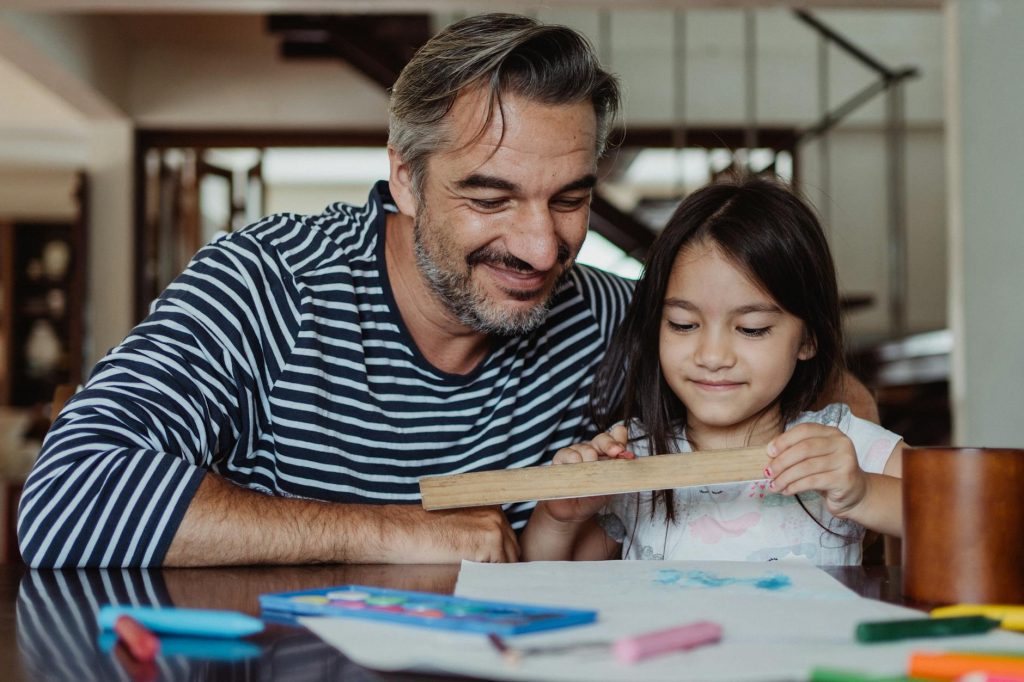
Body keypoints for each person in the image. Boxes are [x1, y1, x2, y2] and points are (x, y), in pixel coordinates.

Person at [17, 14, 875, 569]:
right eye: (490, 196)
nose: (542, 248)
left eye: (570, 198)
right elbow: (64, 502)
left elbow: (821, 387)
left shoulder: (610, 317)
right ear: (404, 177)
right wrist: (389, 530)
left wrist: (849, 455)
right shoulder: (265, 282)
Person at [521, 177, 904, 565]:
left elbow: (958, 512)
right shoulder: (635, 458)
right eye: (684, 324)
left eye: (751, 329)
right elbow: (549, 579)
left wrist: (863, 493)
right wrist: (559, 516)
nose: (713, 355)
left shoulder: (839, 445)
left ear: (808, 339)